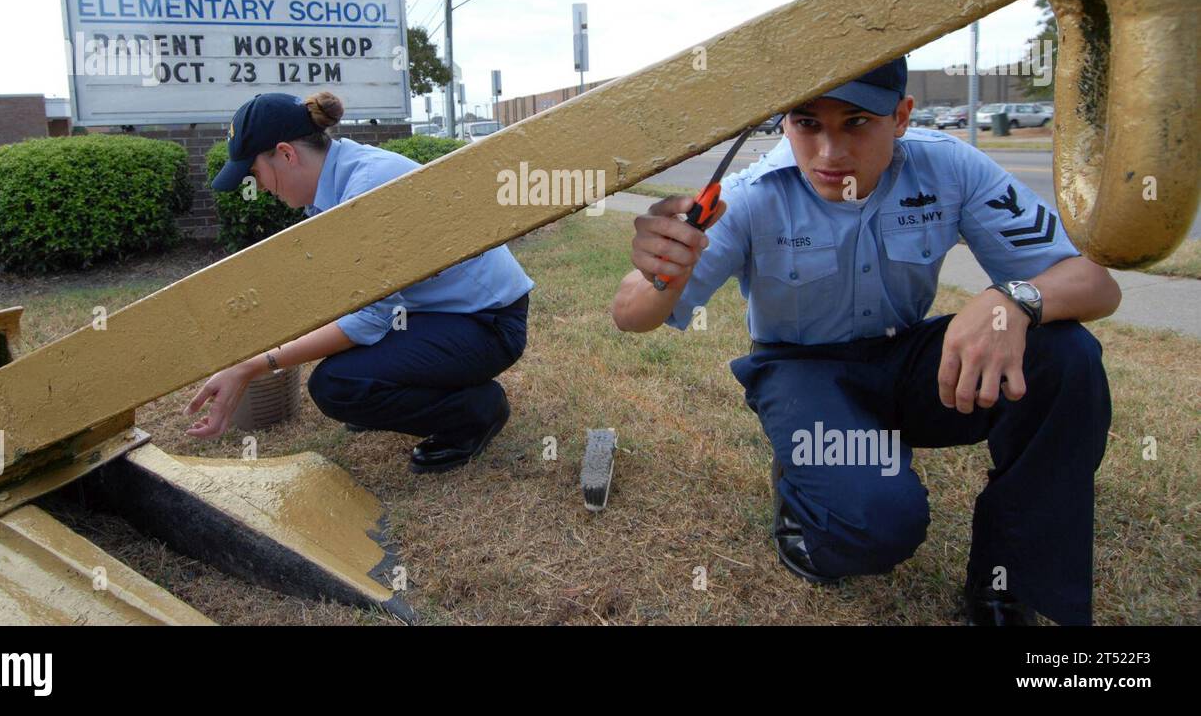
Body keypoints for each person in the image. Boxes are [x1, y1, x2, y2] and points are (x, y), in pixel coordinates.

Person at [609, 58, 1121, 625]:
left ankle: (1011, 585)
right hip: (805, 372)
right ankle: (807, 495)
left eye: (856, 123)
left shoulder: (950, 168)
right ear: (784, 124)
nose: (829, 154)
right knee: (875, 525)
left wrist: (1011, 301)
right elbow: (631, 315)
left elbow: (1095, 284)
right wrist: (662, 270)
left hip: (907, 361)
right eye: (807, 124)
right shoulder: (751, 195)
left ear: (901, 116)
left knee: (1065, 355)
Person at [185, 91, 534, 475]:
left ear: (286, 154)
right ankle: (395, 391)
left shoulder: (365, 189)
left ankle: (476, 413)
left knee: (336, 385)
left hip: (489, 324)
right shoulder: (342, 176)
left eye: (254, 173)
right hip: (443, 312)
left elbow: (369, 320)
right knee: (351, 369)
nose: (262, 187)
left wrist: (254, 366)